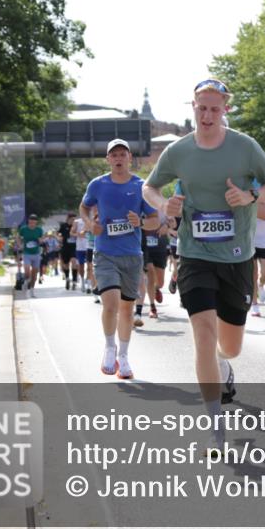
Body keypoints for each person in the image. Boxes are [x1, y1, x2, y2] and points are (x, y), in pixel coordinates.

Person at [142, 77, 265, 444]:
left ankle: (224, 364)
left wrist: (251, 196)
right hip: (194, 254)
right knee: (203, 335)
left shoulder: (244, 147)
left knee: (230, 345)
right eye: (201, 108)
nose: (207, 115)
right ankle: (214, 424)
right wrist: (164, 205)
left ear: (225, 110)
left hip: (238, 257)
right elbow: (150, 187)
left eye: (214, 108)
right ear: (192, 108)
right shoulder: (178, 151)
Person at [80, 139, 159, 380]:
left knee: (126, 310)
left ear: (129, 158)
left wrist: (141, 223)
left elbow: (155, 220)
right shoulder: (98, 184)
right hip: (105, 254)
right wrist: (89, 223)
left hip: (132, 255)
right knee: (110, 305)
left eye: (122, 154)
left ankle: (123, 357)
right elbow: (83, 207)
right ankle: (109, 347)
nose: (118, 158)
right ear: (107, 159)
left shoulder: (141, 186)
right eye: (113, 155)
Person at [142, 211, 170, 320]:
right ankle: (152, 307)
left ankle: (156, 288)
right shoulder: (141, 202)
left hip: (160, 245)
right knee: (150, 273)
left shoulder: (162, 204)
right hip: (145, 245)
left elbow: (173, 223)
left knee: (160, 283)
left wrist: (167, 226)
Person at [17, 215, 44, 297]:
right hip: (27, 253)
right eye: (30, 221)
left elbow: (42, 239)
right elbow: (18, 237)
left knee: (34, 275)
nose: (32, 223)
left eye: (33, 222)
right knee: (27, 272)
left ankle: (32, 290)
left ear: (36, 222)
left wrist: (40, 240)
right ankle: (25, 282)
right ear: (28, 221)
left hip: (36, 253)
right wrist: (20, 244)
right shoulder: (24, 229)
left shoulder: (39, 230)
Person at [59, 213, 80, 290]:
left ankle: (74, 281)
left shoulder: (76, 226)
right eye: (72, 219)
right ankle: (67, 278)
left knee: (74, 262)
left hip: (74, 247)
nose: (73, 221)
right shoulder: (63, 226)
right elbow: (59, 234)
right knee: (66, 264)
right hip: (65, 247)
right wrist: (59, 239)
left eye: (75, 219)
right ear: (68, 219)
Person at [71, 213, 90, 292]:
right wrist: (78, 234)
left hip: (90, 247)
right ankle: (82, 282)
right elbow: (71, 233)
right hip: (80, 247)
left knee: (90, 266)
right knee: (81, 266)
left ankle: (89, 284)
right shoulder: (77, 221)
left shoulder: (92, 220)